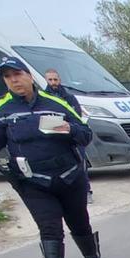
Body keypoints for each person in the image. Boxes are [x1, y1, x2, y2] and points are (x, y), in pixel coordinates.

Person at [0, 57, 109, 258]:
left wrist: (70, 129)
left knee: (79, 221)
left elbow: (85, 134)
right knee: (49, 225)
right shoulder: (1, 108)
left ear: (28, 75)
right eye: (8, 76)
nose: (14, 80)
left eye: (17, 74)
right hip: (33, 181)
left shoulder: (55, 102)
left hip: (68, 175)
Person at [44, 68, 92, 200]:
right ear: (46, 80)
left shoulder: (69, 98)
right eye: (50, 79)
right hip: (53, 137)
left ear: (59, 80)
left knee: (80, 164)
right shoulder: (43, 98)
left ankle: (86, 191)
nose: (53, 82)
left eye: (55, 79)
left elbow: (77, 117)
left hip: (72, 136)